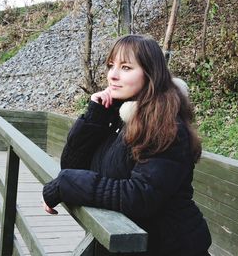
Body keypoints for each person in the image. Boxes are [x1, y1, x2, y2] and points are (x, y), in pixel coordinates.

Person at [42, 34, 212, 256]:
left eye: (126, 67)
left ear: (150, 74)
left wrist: (65, 184)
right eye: (111, 66)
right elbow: (72, 164)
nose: (113, 75)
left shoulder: (166, 126)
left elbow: (140, 196)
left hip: (170, 247)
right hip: (133, 244)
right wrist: (96, 114)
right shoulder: (120, 116)